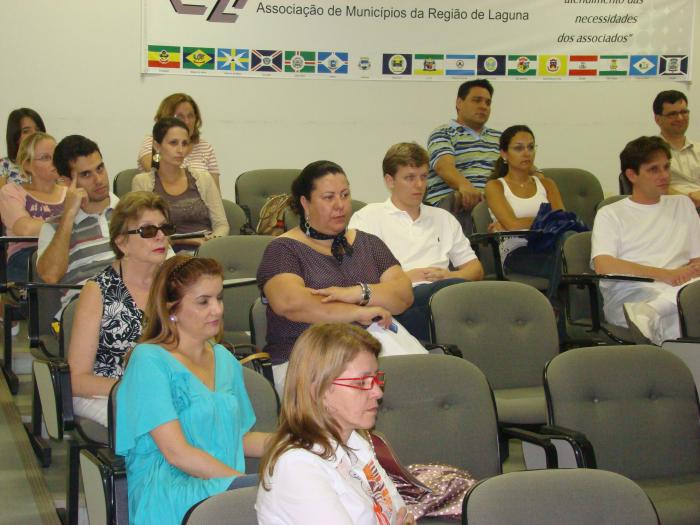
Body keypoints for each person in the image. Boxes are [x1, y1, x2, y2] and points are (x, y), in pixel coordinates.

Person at [116, 255, 270, 524]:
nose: (218, 310)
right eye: (203, 302)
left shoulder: (223, 358)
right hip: (171, 490)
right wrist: (242, 487)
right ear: (171, 308)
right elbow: (177, 453)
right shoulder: (148, 360)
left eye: (219, 298)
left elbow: (240, 438)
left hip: (220, 483)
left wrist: (300, 443)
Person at [257, 160, 413, 394]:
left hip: (370, 351)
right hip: (306, 360)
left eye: (345, 195)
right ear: (305, 203)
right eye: (329, 197)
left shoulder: (369, 243)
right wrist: (357, 312)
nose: (340, 205)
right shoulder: (283, 250)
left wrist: (358, 293)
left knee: (419, 383)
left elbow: (402, 294)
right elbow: (290, 303)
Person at [256, 323, 415, 525]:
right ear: (318, 391)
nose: (378, 392)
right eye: (361, 382)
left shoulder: (356, 442)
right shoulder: (297, 466)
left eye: (376, 379)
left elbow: (402, 513)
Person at [349, 142, 483, 340]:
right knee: (452, 300)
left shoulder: (443, 218)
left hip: (447, 293)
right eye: (410, 178)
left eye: (423, 176)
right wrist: (404, 280)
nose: (419, 185)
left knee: (484, 297)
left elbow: (476, 270)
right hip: (402, 301)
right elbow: (359, 282)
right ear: (390, 180)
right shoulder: (367, 218)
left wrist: (448, 276)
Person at [67, 192, 172, 427]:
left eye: (165, 228)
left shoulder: (174, 286)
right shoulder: (97, 291)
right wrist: (137, 389)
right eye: (147, 231)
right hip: (104, 391)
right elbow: (77, 379)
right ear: (122, 242)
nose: (161, 237)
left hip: (161, 391)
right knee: (156, 426)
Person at [591, 136, 700, 345]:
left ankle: (655, 311)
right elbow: (603, 264)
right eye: (654, 170)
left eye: (667, 167)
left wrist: (684, 275)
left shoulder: (682, 205)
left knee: (684, 302)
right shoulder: (610, 213)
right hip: (632, 293)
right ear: (631, 175)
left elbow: (697, 260)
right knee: (682, 308)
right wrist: (666, 275)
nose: (664, 175)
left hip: (681, 287)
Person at [36, 135, 117, 315]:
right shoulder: (53, 228)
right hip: (85, 311)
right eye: (86, 174)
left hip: (138, 302)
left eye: (100, 168)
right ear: (66, 182)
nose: (98, 179)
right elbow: (50, 275)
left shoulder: (132, 212)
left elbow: (166, 263)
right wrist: (69, 216)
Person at [484, 125, 566, 300]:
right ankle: (552, 307)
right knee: (568, 263)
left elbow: (561, 220)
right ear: (504, 154)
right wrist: (546, 219)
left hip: (548, 246)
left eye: (531, 147)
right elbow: (512, 224)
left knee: (568, 246)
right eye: (519, 148)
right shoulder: (495, 186)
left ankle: (552, 307)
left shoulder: (547, 184)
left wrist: (522, 222)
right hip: (517, 252)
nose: (527, 153)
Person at [132, 117, 228, 252]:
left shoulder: (204, 179)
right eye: (173, 143)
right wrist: (185, 240)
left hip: (206, 251)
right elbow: (146, 232)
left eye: (184, 143)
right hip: (165, 254)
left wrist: (209, 244)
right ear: (157, 146)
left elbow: (222, 225)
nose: (180, 149)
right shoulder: (142, 182)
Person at [427, 79, 501, 233]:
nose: (483, 106)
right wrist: (465, 187)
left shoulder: (501, 138)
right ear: (459, 103)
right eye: (477, 100)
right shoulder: (443, 133)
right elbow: (443, 166)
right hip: (456, 206)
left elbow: (523, 166)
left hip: (496, 206)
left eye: (488, 103)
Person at [0, 132, 65, 282]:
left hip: (65, 251)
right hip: (27, 256)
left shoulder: (69, 192)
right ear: (27, 165)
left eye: (56, 155)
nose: (54, 161)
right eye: (45, 157)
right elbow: (25, 229)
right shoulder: (12, 192)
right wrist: (67, 222)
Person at [137, 92, 220, 187]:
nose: (187, 121)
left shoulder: (205, 147)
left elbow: (215, 191)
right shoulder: (153, 142)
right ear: (166, 118)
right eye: (180, 116)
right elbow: (156, 172)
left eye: (190, 116)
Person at [653, 90, 700, 207]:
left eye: (684, 112)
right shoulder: (649, 152)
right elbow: (648, 185)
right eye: (672, 114)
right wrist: (685, 200)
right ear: (658, 119)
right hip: (667, 210)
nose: (680, 118)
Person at [1, 108, 46, 186]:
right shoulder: (4, 165)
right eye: (26, 131)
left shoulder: (51, 164)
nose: (34, 135)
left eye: (38, 130)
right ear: (15, 137)